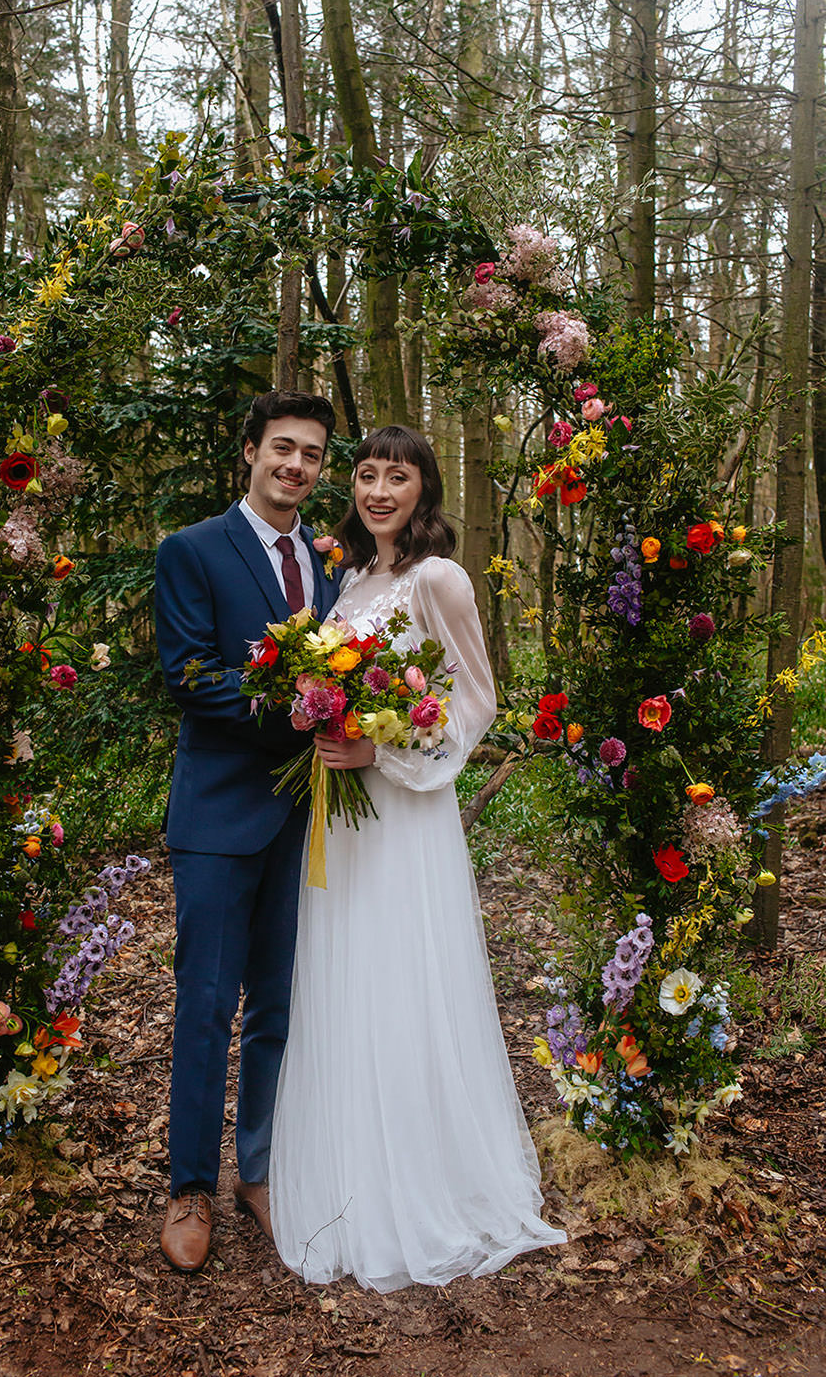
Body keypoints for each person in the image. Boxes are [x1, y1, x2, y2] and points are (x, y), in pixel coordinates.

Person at [269, 425, 566, 1290]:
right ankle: (352, 1175)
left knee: (402, 975)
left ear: (424, 489)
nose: (378, 491)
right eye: (366, 475)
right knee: (349, 977)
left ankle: (428, 1181)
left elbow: (475, 700)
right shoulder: (352, 580)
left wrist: (386, 752)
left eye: (396, 477)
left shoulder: (439, 578)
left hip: (404, 811)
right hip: (344, 821)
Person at [153, 389, 340, 1272]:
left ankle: (258, 1172)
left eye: (311, 454)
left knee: (279, 1005)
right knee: (206, 1006)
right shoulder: (193, 550)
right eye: (282, 448)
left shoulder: (331, 563)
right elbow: (191, 676)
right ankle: (190, 1186)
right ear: (251, 452)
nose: (295, 465)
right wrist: (299, 709)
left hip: (311, 817)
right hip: (220, 816)